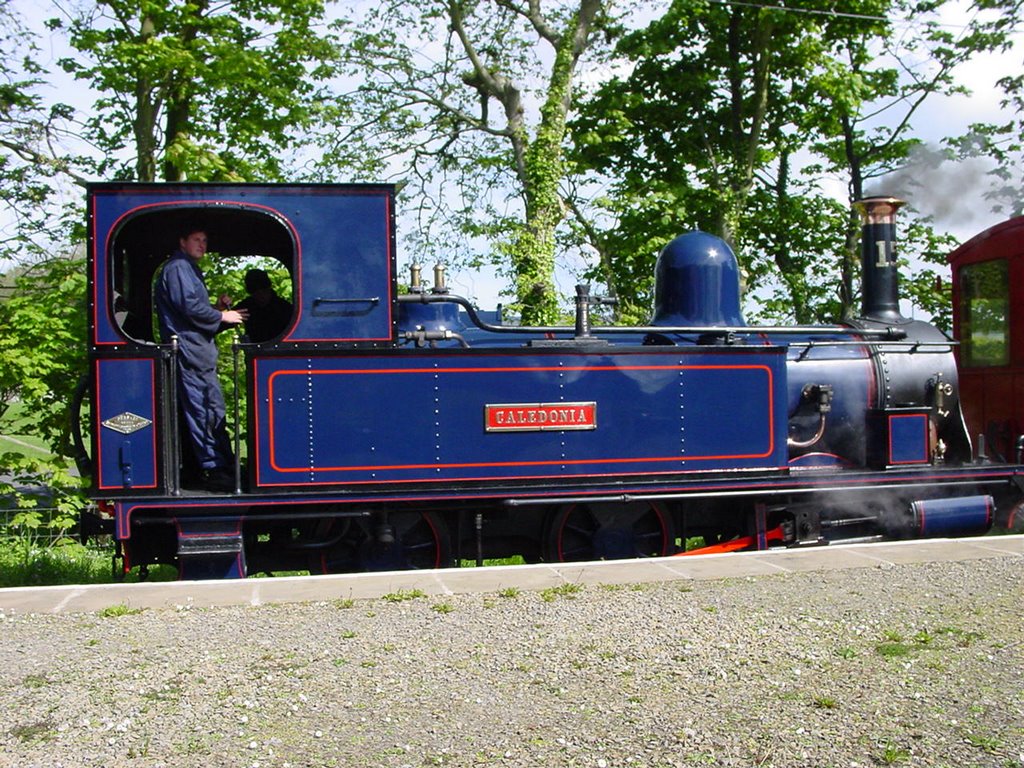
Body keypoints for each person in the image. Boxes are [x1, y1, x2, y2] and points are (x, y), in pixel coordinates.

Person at [155, 225, 248, 492]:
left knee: (211, 408)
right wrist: (220, 316)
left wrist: (218, 310)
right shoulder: (178, 268)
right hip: (190, 352)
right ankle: (214, 469)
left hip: (197, 350)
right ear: (182, 241)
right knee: (204, 409)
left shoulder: (187, 269)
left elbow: (191, 313)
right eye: (197, 239)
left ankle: (221, 464)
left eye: (205, 240)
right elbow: (189, 308)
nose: (202, 245)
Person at [236, 268, 292, 342]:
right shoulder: (247, 306)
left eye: (263, 289)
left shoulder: (285, 309)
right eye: (255, 290)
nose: (260, 294)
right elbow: (221, 323)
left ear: (268, 287)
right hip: (255, 352)